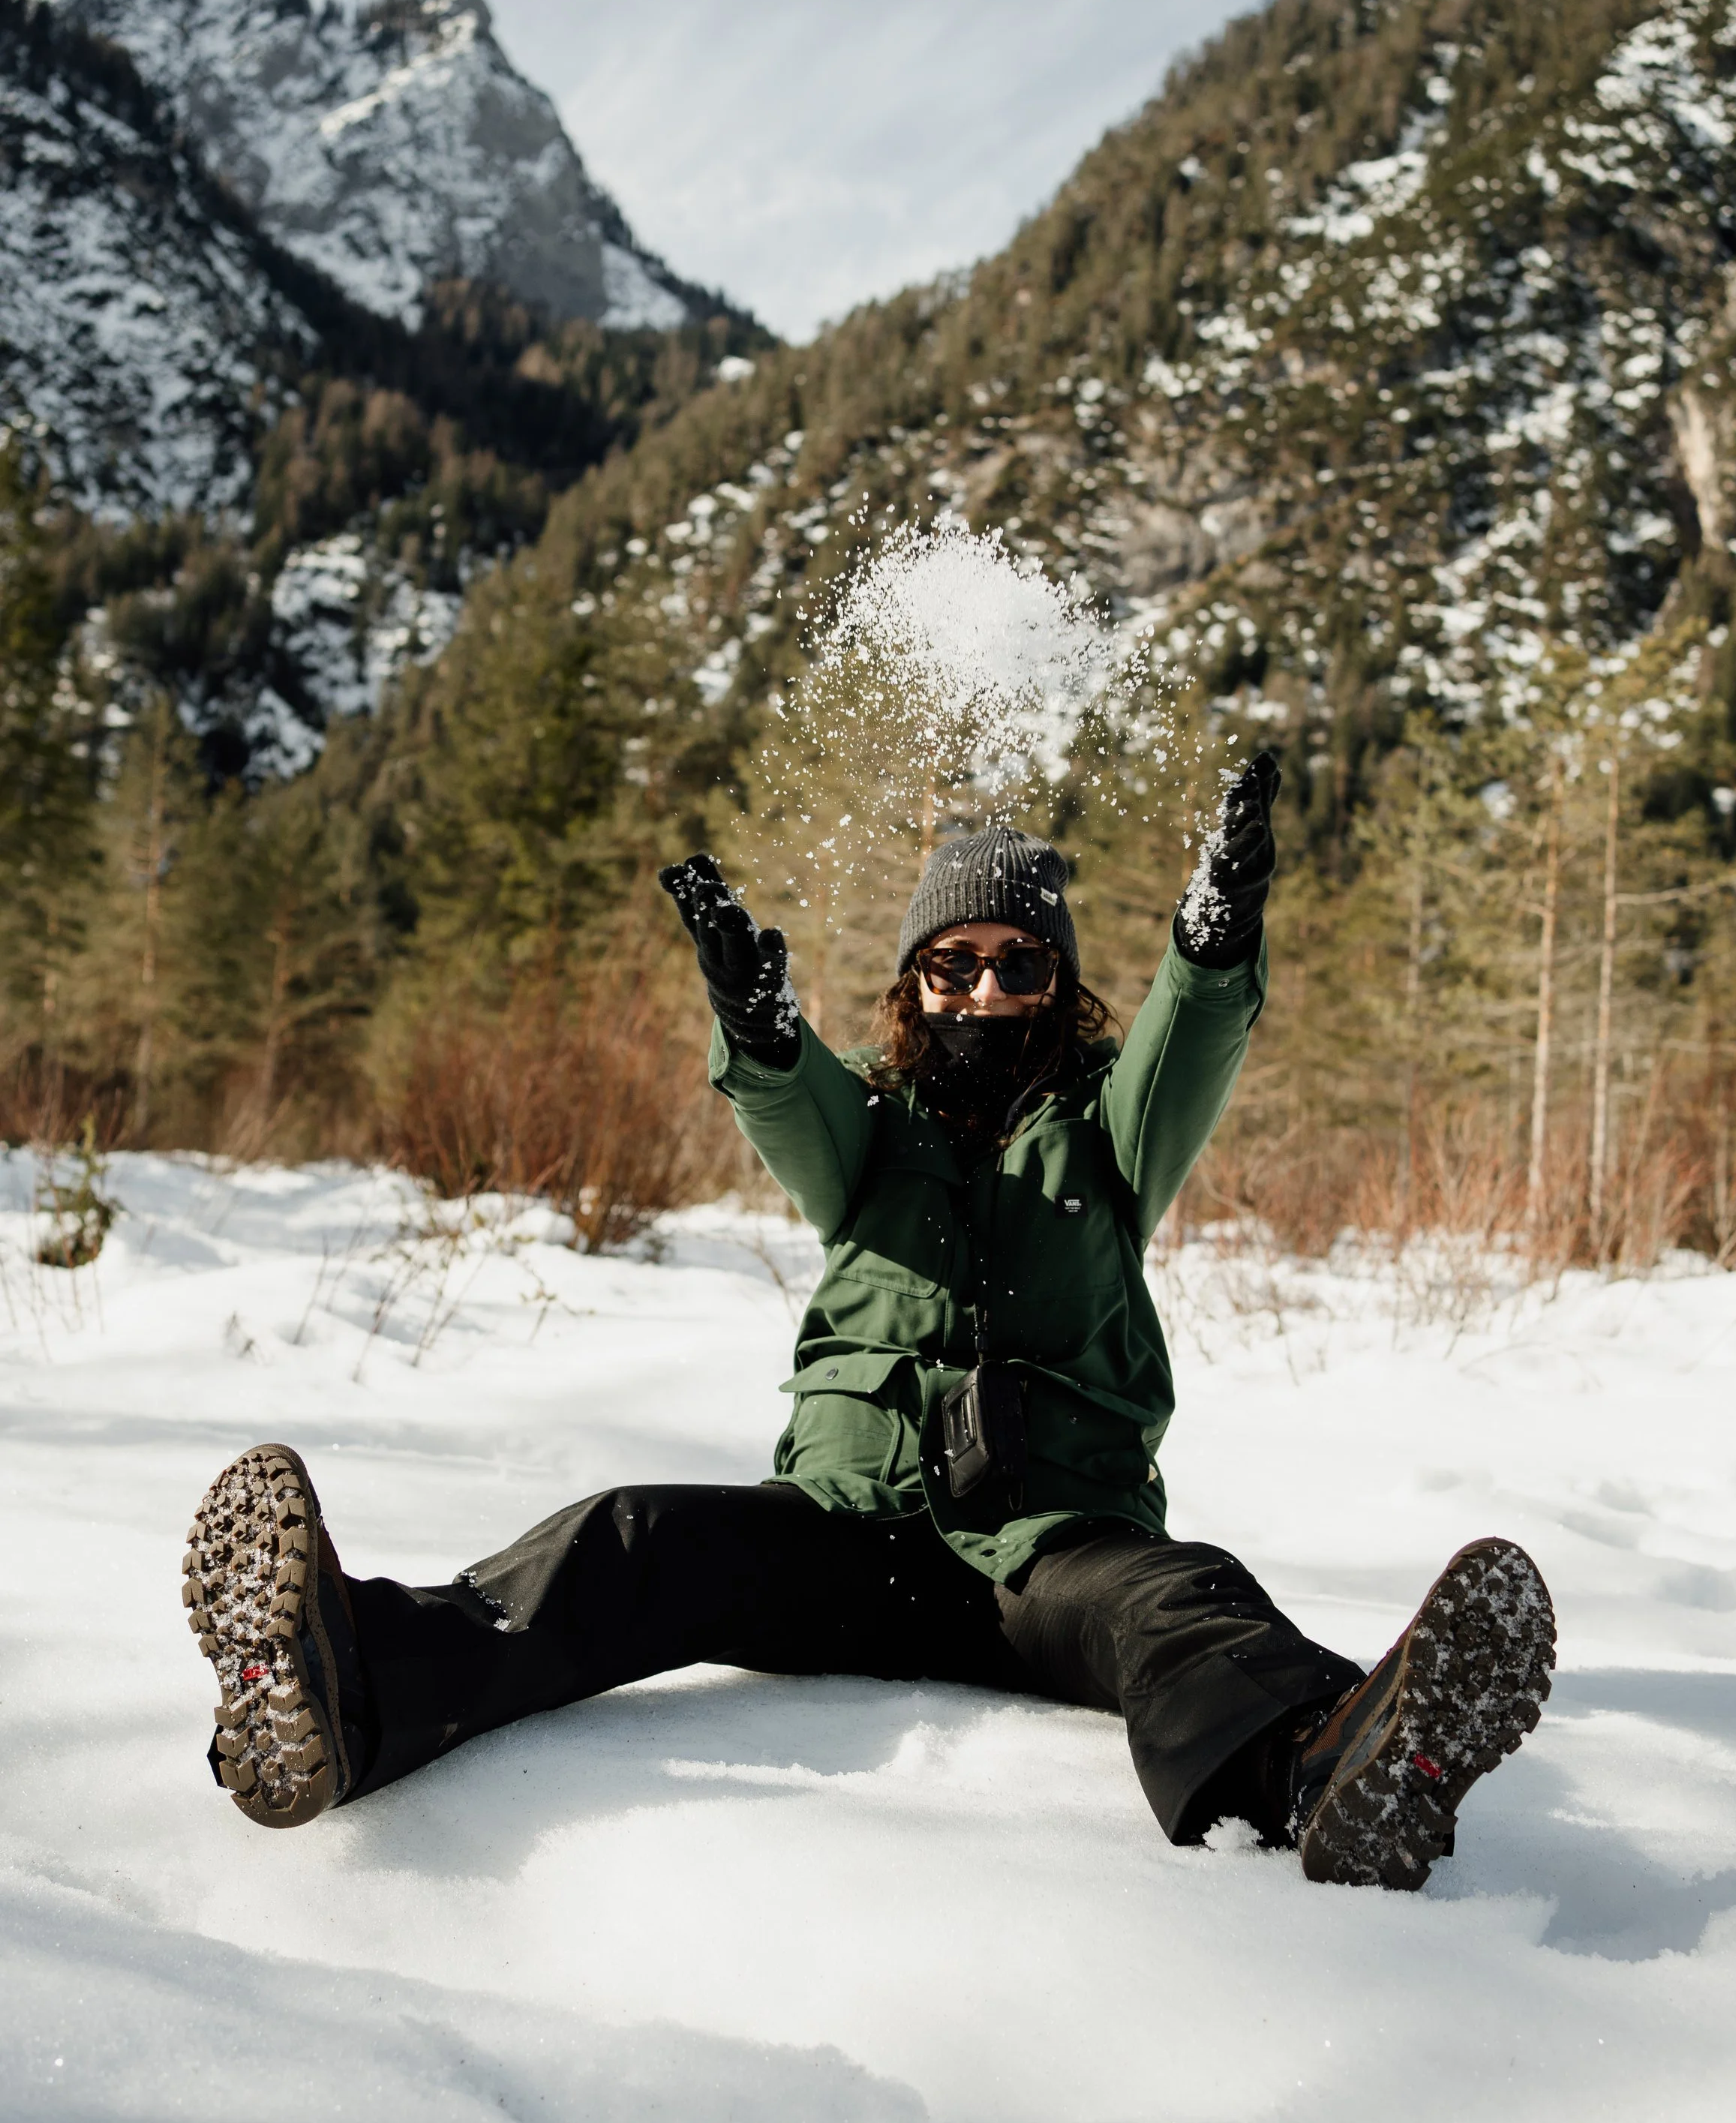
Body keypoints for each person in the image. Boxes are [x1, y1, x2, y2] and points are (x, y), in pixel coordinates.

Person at [182, 756, 1554, 1888]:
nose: (986, 989)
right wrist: (754, 1015)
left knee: (1181, 1601)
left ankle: (1333, 1769)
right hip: (845, 1536)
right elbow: (788, 1096)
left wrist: (1214, 935)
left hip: (1048, 1562)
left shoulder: (1110, 1138)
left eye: (1021, 963)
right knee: (624, 1538)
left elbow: (1188, 1045)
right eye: (953, 962)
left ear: (1059, 981)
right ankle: (341, 1689)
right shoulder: (870, 1143)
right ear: (913, 982)